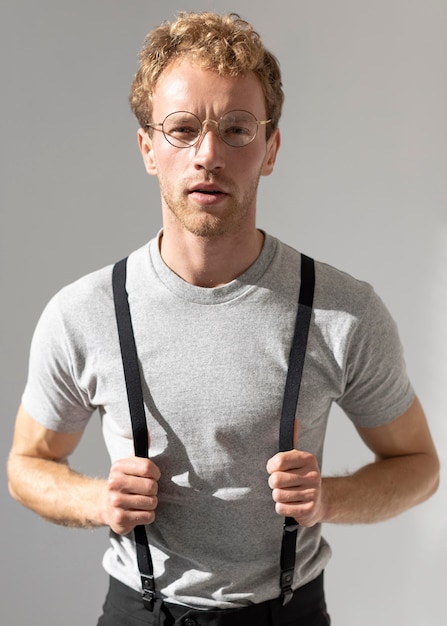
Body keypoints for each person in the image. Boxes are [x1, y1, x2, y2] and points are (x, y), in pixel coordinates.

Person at [7, 11, 439, 626]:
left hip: (287, 614)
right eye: (182, 129)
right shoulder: (83, 313)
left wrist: (330, 498)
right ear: (148, 148)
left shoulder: (342, 311)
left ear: (270, 149)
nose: (208, 155)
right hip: (138, 610)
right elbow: (26, 464)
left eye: (237, 129)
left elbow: (419, 466)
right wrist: (98, 499)